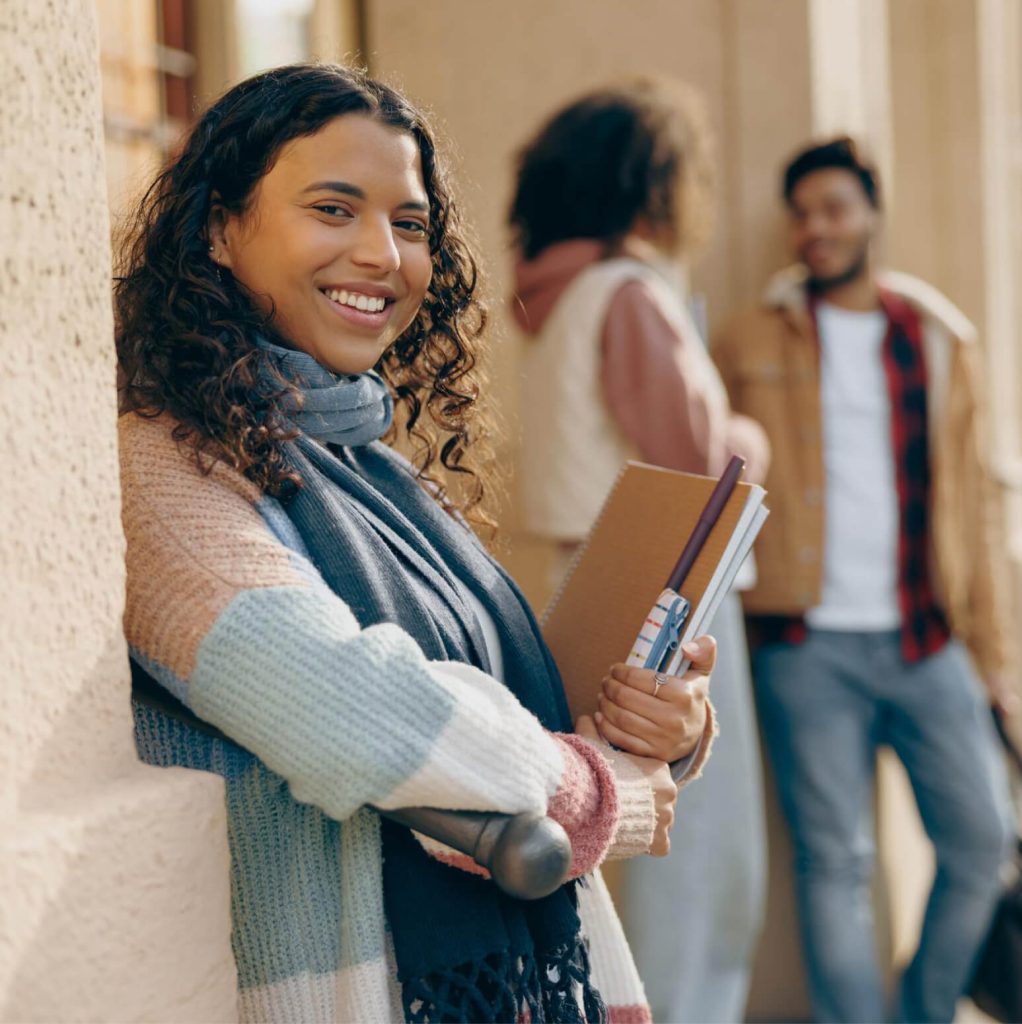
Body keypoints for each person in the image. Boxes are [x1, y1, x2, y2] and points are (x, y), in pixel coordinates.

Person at [113, 62, 721, 1024]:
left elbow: (510, 698)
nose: (381, 255)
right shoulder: (161, 467)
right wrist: (609, 791)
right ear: (221, 230)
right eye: (332, 209)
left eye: (409, 224)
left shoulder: (372, 467)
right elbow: (343, 703)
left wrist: (660, 726)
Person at [712, 136, 1015, 1023]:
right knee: (835, 860)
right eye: (802, 214)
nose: (816, 230)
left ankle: (922, 1011)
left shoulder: (938, 339)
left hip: (927, 635)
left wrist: (995, 653)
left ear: (872, 214)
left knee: (982, 840)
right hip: (807, 643)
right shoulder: (746, 338)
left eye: (835, 209)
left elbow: (977, 506)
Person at [509, 78, 770, 1024]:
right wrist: (751, 431)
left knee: (629, 857)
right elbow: (702, 471)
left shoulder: (558, 299)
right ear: (649, 184)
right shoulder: (631, 296)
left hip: (585, 584)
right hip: (670, 600)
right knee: (698, 870)